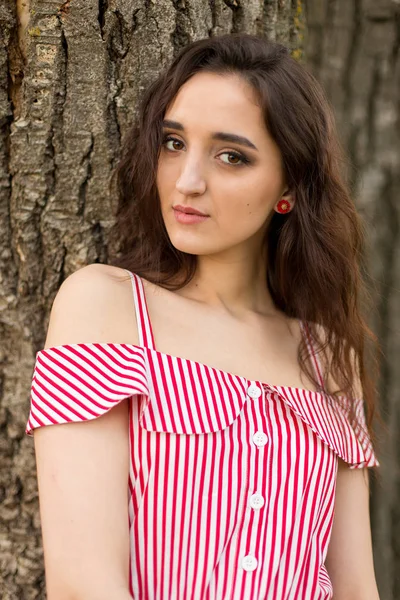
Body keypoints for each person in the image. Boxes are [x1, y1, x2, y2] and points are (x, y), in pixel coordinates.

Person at [26, 33, 381, 600]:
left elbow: (356, 587)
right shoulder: (107, 307)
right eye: (173, 143)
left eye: (230, 155)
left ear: (288, 186)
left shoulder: (327, 356)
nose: (187, 181)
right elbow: (82, 582)